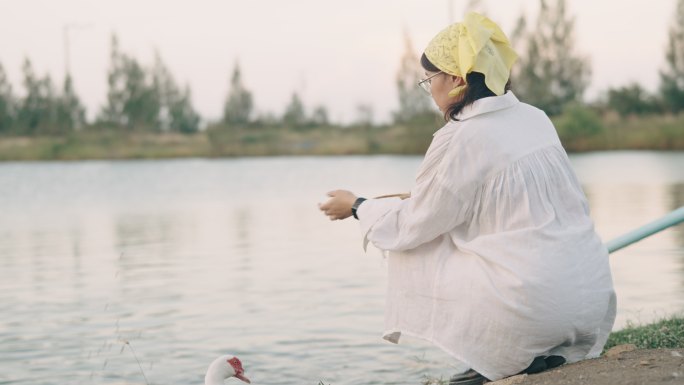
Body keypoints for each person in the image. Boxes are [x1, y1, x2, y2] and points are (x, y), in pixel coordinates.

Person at [318, 12, 616, 385]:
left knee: (421, 243)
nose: (431, 93)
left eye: (429, 81)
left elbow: (414, 224)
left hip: (531, 308)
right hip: (588, 299)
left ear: (456, 79)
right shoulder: (535, 118)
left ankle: (498, 354)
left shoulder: (462, 137)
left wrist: (359, 206)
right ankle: (515, 351)